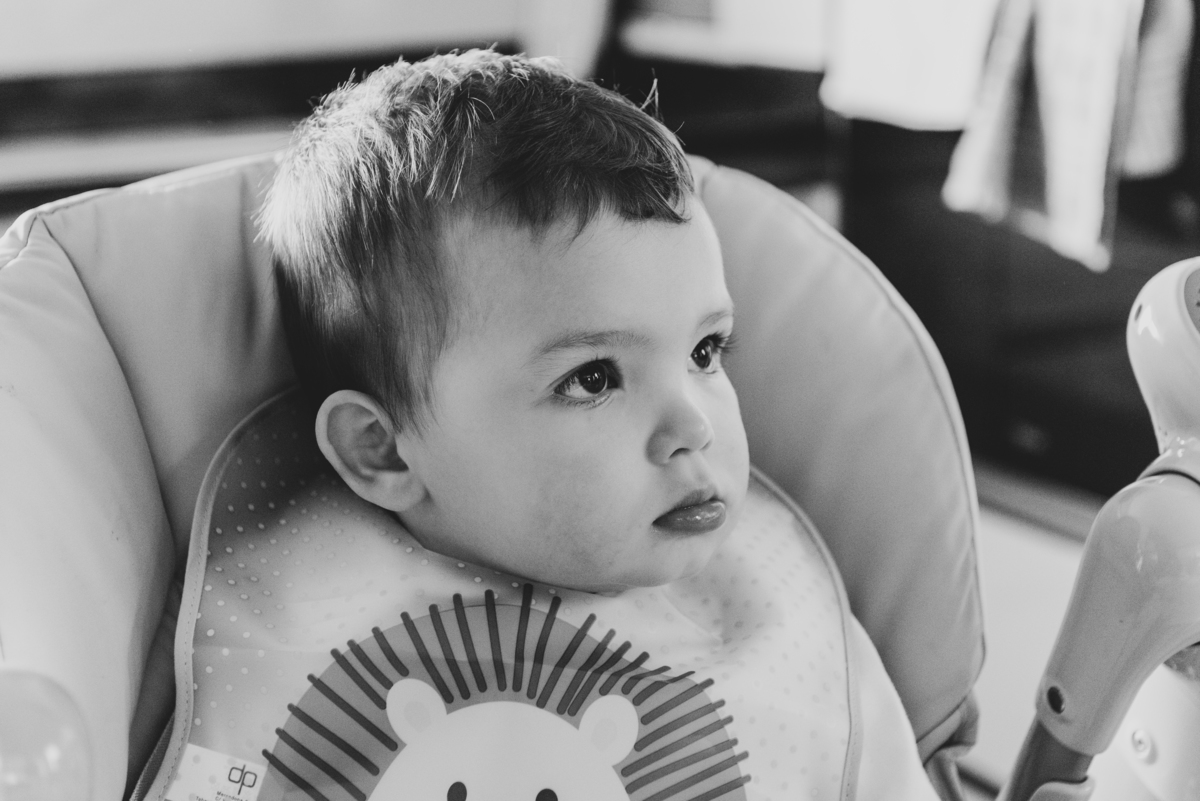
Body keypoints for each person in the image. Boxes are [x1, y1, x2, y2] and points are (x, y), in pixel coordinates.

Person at [250, 48, 940, 800]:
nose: (693, 425)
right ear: (380, 448)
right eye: (593, 378)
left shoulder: (795, 629)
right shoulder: (283, 625)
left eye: (706, 350)